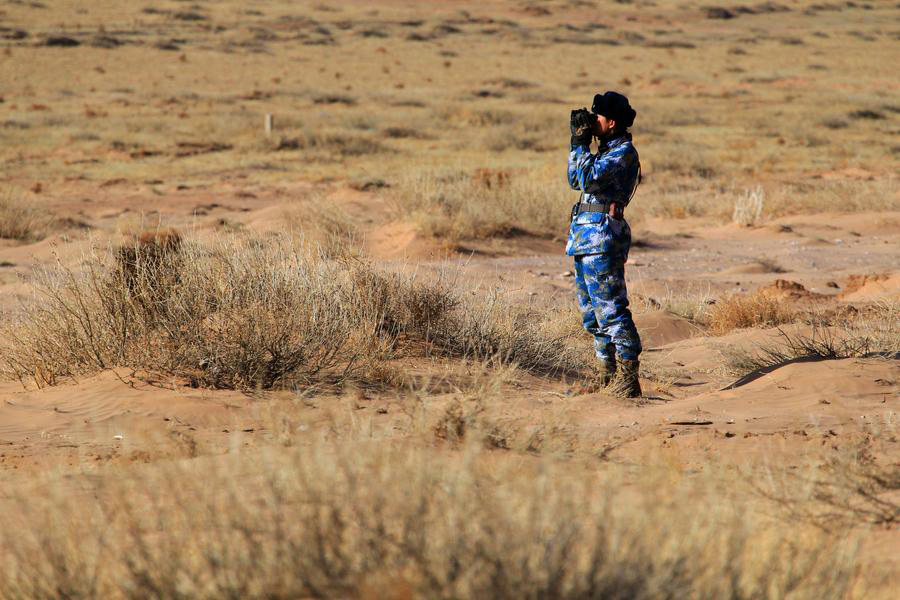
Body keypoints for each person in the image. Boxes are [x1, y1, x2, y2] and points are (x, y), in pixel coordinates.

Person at [567, 91, 642, 397]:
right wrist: (579, 143)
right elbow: (574, 178)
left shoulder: (622, 153)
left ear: (612, 122)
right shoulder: (604, 151)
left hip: (603, 240)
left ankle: (627, 378)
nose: (590, 121)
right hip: (586, 239)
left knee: (611, 311)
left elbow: (585, 178)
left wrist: (580, 143)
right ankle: (606, 375)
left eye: (596, 117)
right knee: (592, 315)